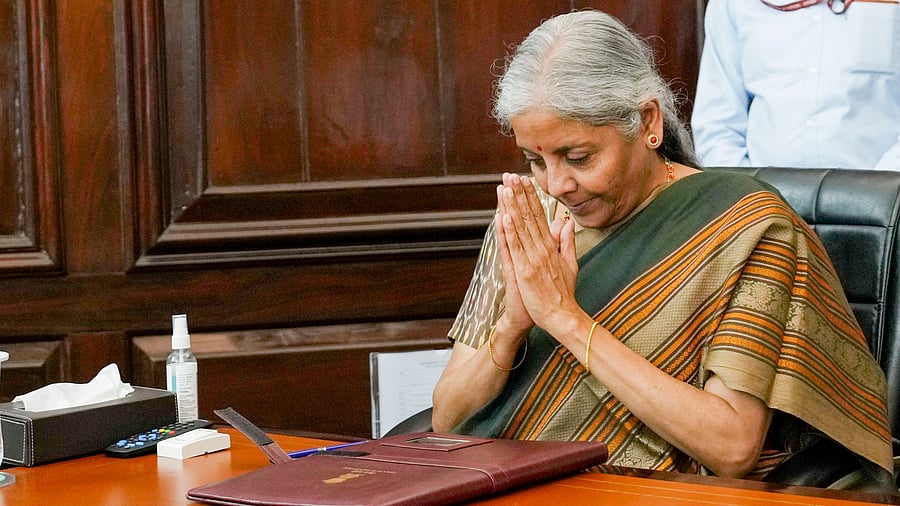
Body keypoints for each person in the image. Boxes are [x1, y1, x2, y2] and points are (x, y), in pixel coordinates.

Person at [430, 9, 893, 482]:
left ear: (647, 121)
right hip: (506, 481)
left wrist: (565, 319)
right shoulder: (532, 219)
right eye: (535, 160)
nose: (557, 184)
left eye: (578, 157)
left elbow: (732, 447)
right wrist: (513, 324)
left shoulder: (747, 229)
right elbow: (447, 420)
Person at [691, 0, 900, 170]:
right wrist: (751, 197)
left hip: (884, 203)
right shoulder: (733, 4)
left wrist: (884, 192)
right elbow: (716, 123)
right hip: (765, 203)